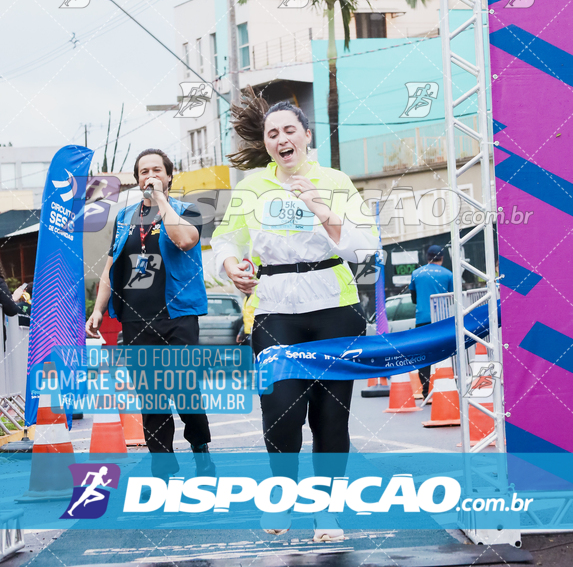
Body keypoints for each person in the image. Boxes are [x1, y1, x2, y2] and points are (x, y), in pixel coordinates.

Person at [211, 87, 379, 541]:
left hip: (335, 311)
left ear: (306, 135)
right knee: (282, 414)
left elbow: (366, 242)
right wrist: (231, 266)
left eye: (290, 130)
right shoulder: (252, 187)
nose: (282, 139)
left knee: (331, 418)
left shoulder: (334, 181)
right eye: (273, 134)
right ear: (266, 144)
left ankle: (327, 514)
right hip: (275, 311)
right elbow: (227, 240)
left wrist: (318, 204)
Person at [86, 148, 213, 479]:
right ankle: (163, 470)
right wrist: (98, 310)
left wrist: (161, 201)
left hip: (178, 315)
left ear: (169, 176)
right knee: (152, 399)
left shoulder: (187, 210)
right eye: (144, 172)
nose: (150, 176)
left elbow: (184, 240)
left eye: (157, 170)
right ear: (137, 178)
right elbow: (111, 265)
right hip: (135, 319)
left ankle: (200, 448)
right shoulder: (125, 217)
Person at [410, 244, 454, 399]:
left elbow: (414, 299)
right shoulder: (448, 274)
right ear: (442, 258)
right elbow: (453, 298)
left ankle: (425, 391)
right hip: (442, 320)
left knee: (424, 354)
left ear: (427, 257)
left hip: (422, 319)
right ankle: (447, 389)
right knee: (446, 352)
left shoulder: (416, 273)